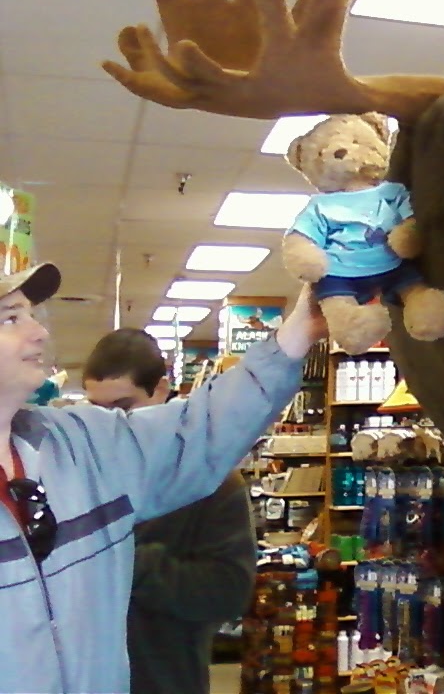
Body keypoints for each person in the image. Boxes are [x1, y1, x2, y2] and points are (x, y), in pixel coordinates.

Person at [0, 262, 325, 694]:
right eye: (10, 318)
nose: (39, 333)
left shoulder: (80, 444)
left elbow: (201, 428)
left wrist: (298, 330)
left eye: (30, 314)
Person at [82, 327, 257, 694]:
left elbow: (229, 592)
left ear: (160, 391)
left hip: (166, 678)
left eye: (123, 407)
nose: (108, 424)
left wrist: (126, 559)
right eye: (96, 410)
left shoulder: (210, 481)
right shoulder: (77, 474)